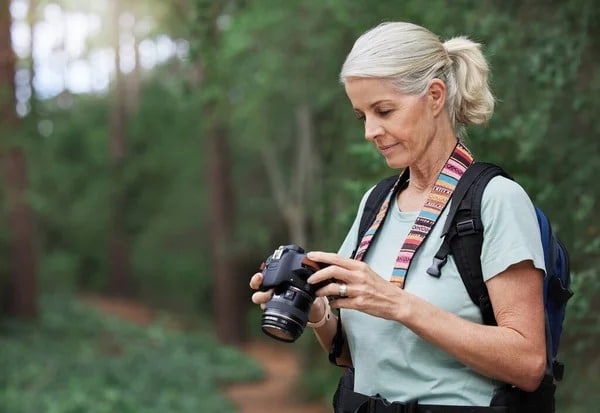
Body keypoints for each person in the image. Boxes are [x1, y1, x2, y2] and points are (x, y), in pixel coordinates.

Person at [250, 21, 546, 411]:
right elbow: (357, 358)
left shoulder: (496, 200)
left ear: (435, 96)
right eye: (362, 116)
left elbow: (528, 364)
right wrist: (316, 311)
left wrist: (397, 304)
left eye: (384, 110)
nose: (371, 131)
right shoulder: (377, 203)